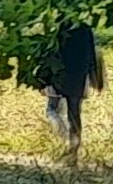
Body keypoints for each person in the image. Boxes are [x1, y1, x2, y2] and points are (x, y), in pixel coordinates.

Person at [42, 22, 105, 163]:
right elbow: (91, 55)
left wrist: (44, 79)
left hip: (59, 74)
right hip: (78, 76)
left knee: (52, 110)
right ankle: (73, 148)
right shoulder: (85, 29)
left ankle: (64, 139)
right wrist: (95, 78)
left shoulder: (59, 26)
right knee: (74, 113)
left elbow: (51, 53)